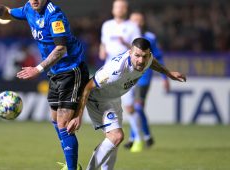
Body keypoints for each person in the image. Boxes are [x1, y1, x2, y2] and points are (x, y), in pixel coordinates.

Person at [0, 0, 89, 169]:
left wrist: (37, 69)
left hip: (71, 69)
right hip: (54, 72)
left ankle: (72, 168)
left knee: (63, 122)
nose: (34, 0)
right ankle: (72, 165)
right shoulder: (28, 8)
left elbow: (61, 49)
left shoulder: (55, 16)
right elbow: (6, 13)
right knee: (55, 120)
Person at [72, 38, 186, 170]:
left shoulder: (147, 59)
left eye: (144, 56)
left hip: (114, 98)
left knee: (114, 141)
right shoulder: (115, 70)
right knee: (117, 136)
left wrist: (169, 73)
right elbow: (87, 87)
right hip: (98, 98)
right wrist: (78, 115)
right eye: (137, 56)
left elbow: (152, 62)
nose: (141, 61)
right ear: (130, 52)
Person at [99, 0, 143, 152]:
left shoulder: (132, 27)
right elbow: (103, 43)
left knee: (129, 106)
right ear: (113, 9)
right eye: (117, 6)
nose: (119, 9)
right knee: (105, 103)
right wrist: (102, 50)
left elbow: (139, 50)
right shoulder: (107, 25)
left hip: (126, 71)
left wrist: (126, 44)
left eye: (122, 7)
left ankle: (138, 138)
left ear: (126, 9)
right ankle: (110, 134)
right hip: (109, 70)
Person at [122, 11, 171, 150]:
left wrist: (164, 77)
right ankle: (141, 136)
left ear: (143, 22)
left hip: (144, 77)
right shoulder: (126, 36)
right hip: (128, 76)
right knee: (132, 108)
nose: (136, 22)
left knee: (137, 107)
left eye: (139, 19)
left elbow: (158, 57)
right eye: (133, 20)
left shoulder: (150, 37)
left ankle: (138, 137)